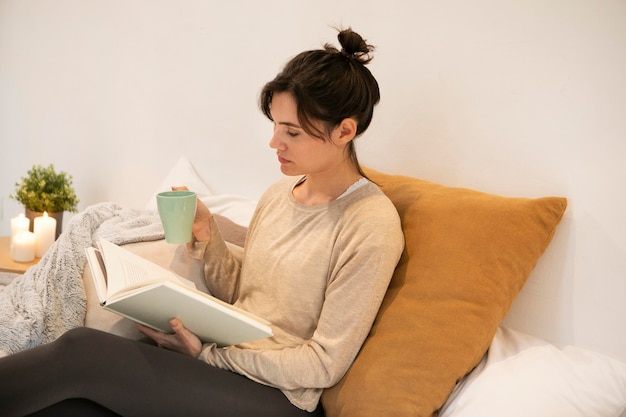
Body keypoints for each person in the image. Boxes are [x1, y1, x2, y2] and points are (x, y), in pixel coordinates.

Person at [0, 27, 404, 417]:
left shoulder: (370, 224)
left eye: (292, 132)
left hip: (280, 397)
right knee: (70, 405)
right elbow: (247, 296)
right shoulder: (280, 196)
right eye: (275, 126)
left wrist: (208, 356)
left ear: (344, 131)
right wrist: (208, 236)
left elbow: (324, 363)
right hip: (225, 367)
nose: (274, 143)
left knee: (82, 350)